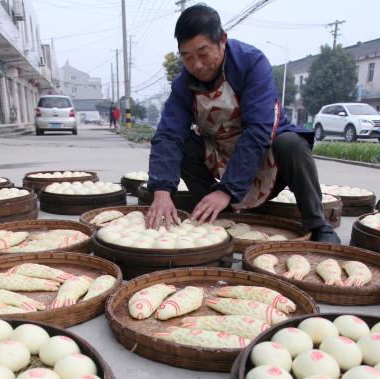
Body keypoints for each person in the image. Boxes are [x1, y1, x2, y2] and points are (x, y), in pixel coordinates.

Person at [145, 4, 339, 243]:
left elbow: (258, 130)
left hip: (266, 157)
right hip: (221, 157)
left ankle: (318, 224)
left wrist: (228, 190)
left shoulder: (251, 64)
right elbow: (168, 134)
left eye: (203, 53)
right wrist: (162, 190)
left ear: (222, 40)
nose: (196, 65)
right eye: (187, 58)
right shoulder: (184, 84)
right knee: (183, 145)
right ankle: (217, 216)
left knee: (292, 144)